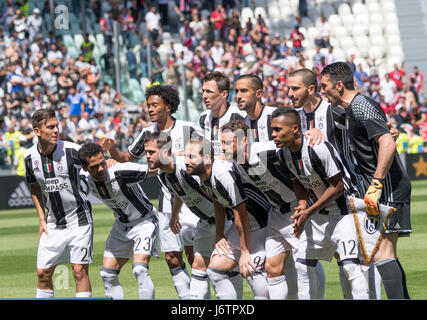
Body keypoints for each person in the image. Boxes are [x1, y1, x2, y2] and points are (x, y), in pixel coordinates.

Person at [287, 68, 382, 299]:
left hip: (348, 194)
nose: (289, 93)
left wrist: (389, 130)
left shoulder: (335, 111)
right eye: (288, 88)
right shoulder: (293, 118)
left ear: (311, 89)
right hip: (317, 202)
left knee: (357, 261)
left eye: (295, 88)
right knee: (318, 261)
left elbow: (369, 131)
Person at [320, 61, 412, 299]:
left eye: (324, 86)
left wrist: (376, 183)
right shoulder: (351, 109)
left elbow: (387, 142)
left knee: (382, 251)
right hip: (379, 189)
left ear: (339, 85)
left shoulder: (361, 106)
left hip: (387, 188)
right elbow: (387, 133)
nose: (322, 92)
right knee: (383, 251)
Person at [102, 85, 201, 299]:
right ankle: (188, 300)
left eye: (155, 104)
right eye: (148, 105)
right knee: (172, 258)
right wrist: (111, 151)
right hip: (168, 204)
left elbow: (208, 156)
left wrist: (184, 156)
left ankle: (202, 298)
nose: (150, 109)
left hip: (192, 202)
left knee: (196, 257)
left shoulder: (189, 129)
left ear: (169, 106)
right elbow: (126, 158)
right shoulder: (148, 132)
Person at [271, 107, 370, 300]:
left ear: (294, 129)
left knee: (351, 267)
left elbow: (338, 186)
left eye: (277, 129)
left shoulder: (317, 147)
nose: (273, 134)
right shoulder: (283, 153)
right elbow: (297, 180)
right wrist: (301, 205)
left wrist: (308, 211)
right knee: (302, 266)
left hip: (344, 214)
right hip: (316, 216)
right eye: (272, 130)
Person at [184, 135, 272, 300]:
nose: (186, 161)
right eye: (185, 156)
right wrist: (219, 234)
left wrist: (244, 251)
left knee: (251, 271)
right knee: (215, 271)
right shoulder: (203, 178)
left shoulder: (222, 173)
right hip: (247, 224)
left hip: (261, 222)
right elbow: (218, 203)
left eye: (191, 157)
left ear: (207, 158)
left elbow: (242, 213)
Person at [144, 132, 230, 299]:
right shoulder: (163, 174)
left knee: (225, 271)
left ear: (164, 152)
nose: (147, 156)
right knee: (198, 266)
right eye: (146, 152)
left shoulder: (187, 168)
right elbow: (178, 192)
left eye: (151, 152)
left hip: (225, 221)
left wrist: (220, 233)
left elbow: (217, 198)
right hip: (206, 223)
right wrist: (174, 216)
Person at [220, 120, 299, 299]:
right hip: (277, 214)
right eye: (221, 143)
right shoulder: (237, 164)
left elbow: (295, 144)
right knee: (273, 268)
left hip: (298, 210)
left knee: (306, 266)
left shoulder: (267, 151)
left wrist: (311, 132)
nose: (222, 147)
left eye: (226, 143)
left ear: (243, 141)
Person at [24, 108, 93, 298]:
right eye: (50, 127)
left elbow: (96, 165)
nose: (56, 131)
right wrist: (41, 219)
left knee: (79, 270)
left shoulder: (73, 151)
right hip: (53, 222)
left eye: (57, 126)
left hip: (79, 219)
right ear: (37, 131)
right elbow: (35, 188)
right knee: (42, 273)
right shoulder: (29, 157)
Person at [78, 142, 158, 299]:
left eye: (102, 163)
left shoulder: (121, 172)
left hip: (144, 222)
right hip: (121, 226)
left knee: (139, 269)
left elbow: (156, 169)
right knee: (107, 274)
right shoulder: (84, 177)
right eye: (94, 166)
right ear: (85, 167)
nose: (101, 169)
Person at [198, 71, 246, 157]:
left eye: (209, 91)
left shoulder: (238, 116)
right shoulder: (204, 117)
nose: (204, 96)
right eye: (203, 91)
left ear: (224, 94)